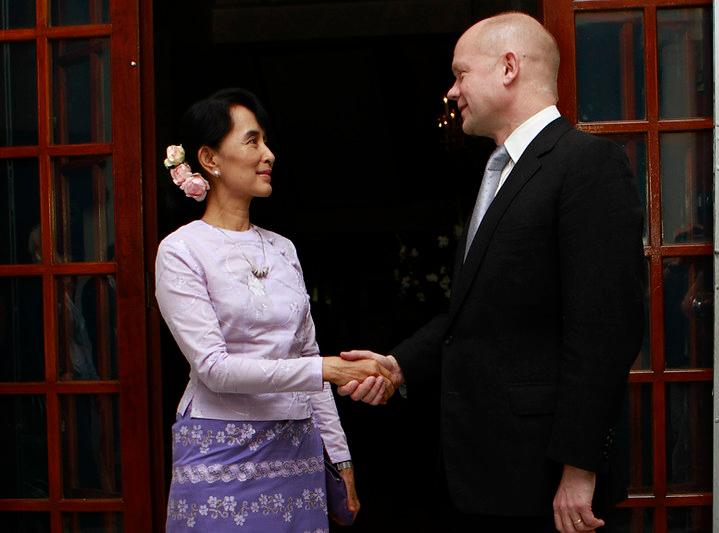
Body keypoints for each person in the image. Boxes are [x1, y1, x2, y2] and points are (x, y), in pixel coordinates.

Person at [338, 12, 645, 532]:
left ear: (508, 68)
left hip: (548, 481)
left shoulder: (587, 165)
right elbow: (475, 312)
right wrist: (398, 364)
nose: (452, 91)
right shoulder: (499, 172)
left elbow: (604, 330)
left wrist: (580, 467)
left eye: (460, 73)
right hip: (488, 475)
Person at [155, 88, 391, 532]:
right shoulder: (181, 250)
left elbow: (308, 354)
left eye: (265, 141)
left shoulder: (283, 249)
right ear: (210, 158)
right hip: (220, 452)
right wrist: (327, 369)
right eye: (252, 141)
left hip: (296, 454)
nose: (269, 155)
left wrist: (340, 458)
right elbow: (214, 369)